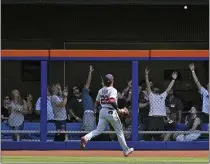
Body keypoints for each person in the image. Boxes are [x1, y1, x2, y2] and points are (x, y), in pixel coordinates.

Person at [81, 74, 134, 157]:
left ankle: (86, 137)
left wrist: (95, 111)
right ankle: (126, 150)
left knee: (99, 130)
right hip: (111, 111)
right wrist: (118, 109)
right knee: (119, 131)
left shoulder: (101, 90)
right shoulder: (113, 90)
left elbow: (97, 102)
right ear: (112, 81)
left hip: (102, 111)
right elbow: (112, 101)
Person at [145, 67, 177, 141]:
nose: (156, 89)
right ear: (153, 90)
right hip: (153, 118)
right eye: (155, 89)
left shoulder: (162, 95)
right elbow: (148, 85)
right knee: (150, 136)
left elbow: (169, 88)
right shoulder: (151, 95)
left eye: (157, 89)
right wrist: (146, 76)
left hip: (160, 119)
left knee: (159, 136)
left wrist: (173, 79)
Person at [81, 65, 96, 132]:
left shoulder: (89, 97)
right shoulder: (84, 93)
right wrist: (90, 72)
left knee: (92, 133)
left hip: (91, 114)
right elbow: (88, 82)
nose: (87, 86)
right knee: (88, 133)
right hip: (88, 114)